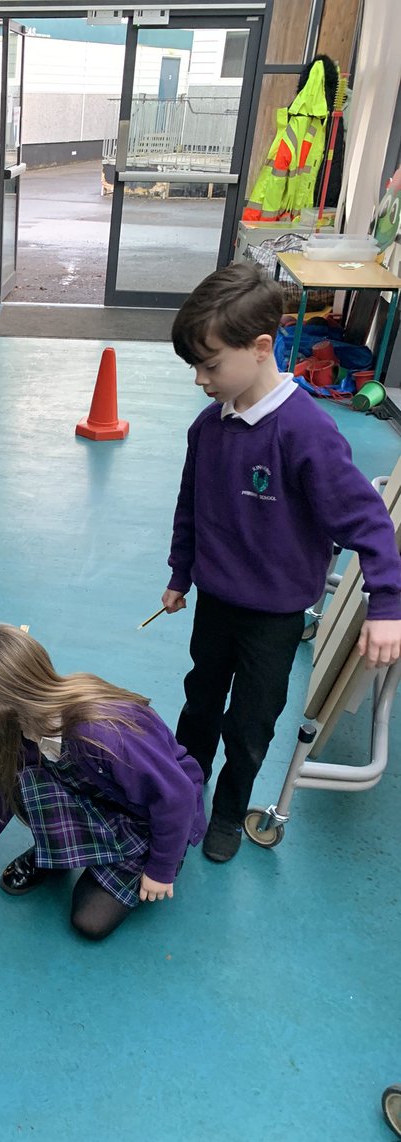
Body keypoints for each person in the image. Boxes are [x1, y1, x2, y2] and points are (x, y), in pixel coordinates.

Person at [162, 262, 401, 864]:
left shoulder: (305, 434)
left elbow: (368, 522)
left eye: (210, 365)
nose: (199, 379)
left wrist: (387, 604)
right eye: (194, 366)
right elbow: (190, 505)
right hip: (215, 603)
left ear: (261, 347)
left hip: (274, 619)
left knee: (249, 726)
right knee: (199, 704)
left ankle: (226, 812)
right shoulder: (207, 429)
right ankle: (184, 792)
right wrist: (180, 572)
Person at [0, 625, 205, 941]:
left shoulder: (101, 733)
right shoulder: (23, 725)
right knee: (16, 780)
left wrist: (160, 870)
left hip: (146, 819)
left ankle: (135, 855)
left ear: (1, 704)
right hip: (102, 799)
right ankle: (56, 852)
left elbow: (177, 798)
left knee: (90, 921)